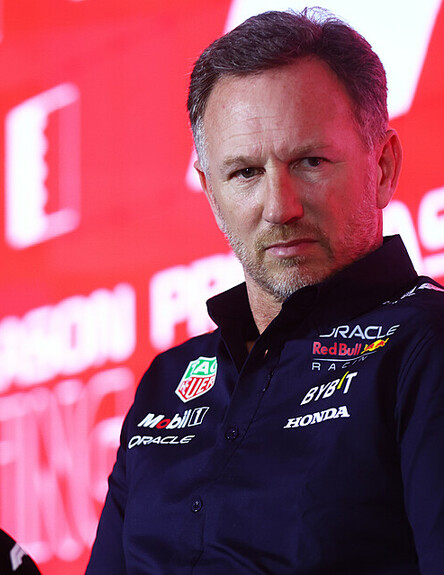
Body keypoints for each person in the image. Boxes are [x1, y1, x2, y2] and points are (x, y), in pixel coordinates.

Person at [87, 8, 443, 574]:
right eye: (246, 173)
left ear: (382, 166)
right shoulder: (166, 383)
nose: (280, 207)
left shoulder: (427, 345)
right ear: (210, 192)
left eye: (310, 161)